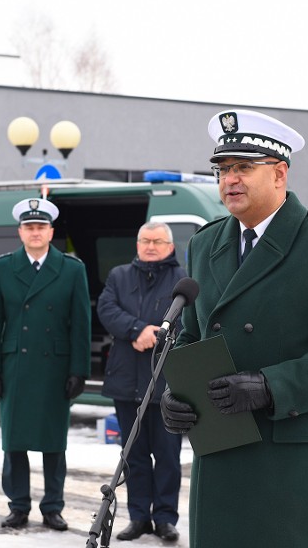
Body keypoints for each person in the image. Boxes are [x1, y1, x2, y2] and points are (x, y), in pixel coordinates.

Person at [160, 109, 308, 547]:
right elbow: (191, 335)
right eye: (223, 170)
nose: (230, 180)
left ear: (280, 173)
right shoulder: (206, 243)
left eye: (244, 167)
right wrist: (176, 394)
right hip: (220, 447)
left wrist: (270, 386)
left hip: (289, 458)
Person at [0, 197, 91, 532]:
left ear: (51, 231)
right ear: (20, 232)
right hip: (16, 367)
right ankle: (18, 507)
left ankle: (53, 507)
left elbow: (81, 325)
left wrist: (79, 370)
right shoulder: (1, 268)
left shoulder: (73, 269)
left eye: (41, 227)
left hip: (54, 368)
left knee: (54, 444)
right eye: (29, 227)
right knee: (14, 443)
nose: (35, 232)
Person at [97, 222, 187, 543]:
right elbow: (106, 308)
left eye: (158, 241)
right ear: (137, 244)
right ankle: (138, 517)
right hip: (127, 381)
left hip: (167, 383)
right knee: (132, 455)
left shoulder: (182, 279)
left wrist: (158, 337)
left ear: (170, 246)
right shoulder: (119, 276)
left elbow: (190, 319)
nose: (150, 246)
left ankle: (165, 518)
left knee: (166, 455)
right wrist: (136, 330)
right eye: (145, 240)